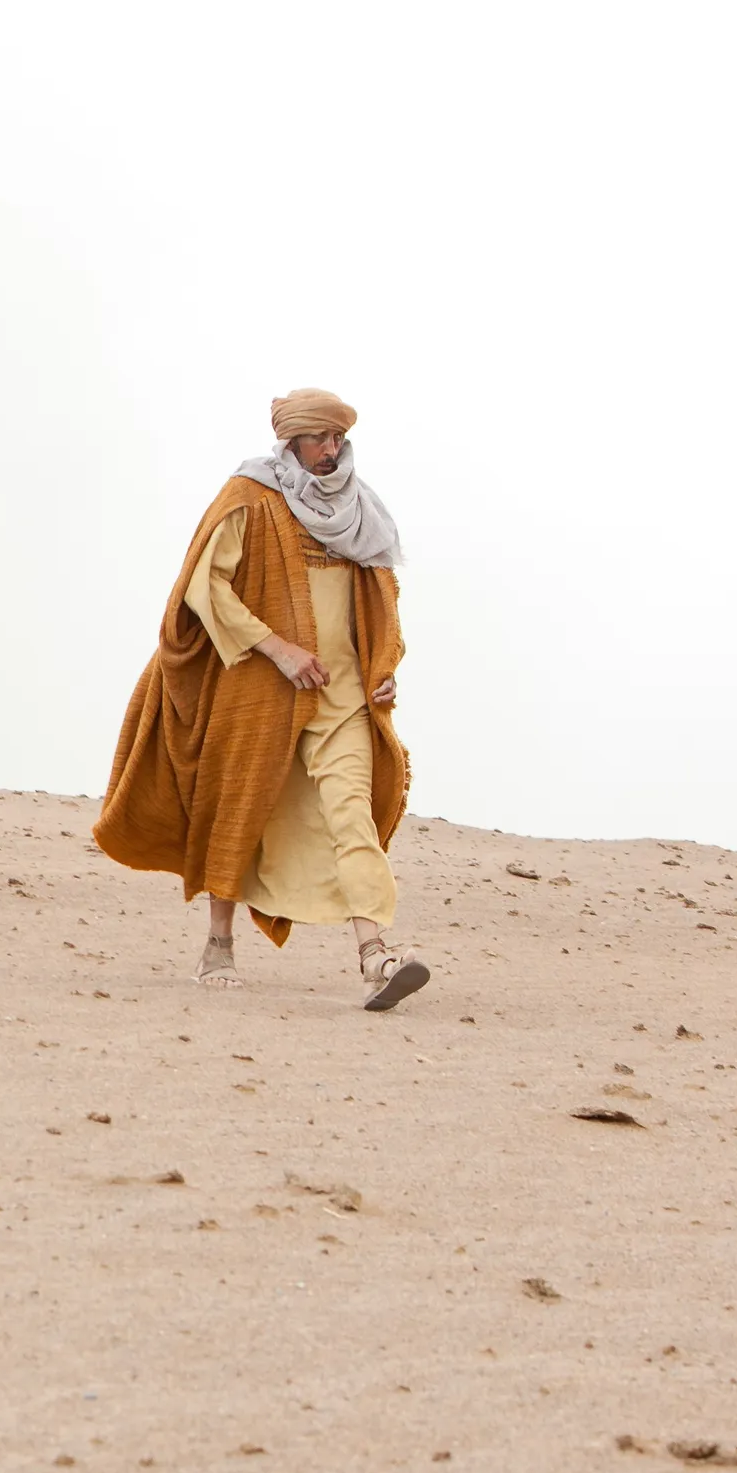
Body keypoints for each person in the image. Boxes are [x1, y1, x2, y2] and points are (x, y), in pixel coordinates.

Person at [94, 387, 427, 1009]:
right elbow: (205, 588)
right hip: (259, 685)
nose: (331, 450)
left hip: (345, 693)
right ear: (291, 441)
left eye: (337, 438)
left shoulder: (360, 509)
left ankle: (375, 956)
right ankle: (217, 944)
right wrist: (278, 648)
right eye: (319, 438)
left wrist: (384, 667)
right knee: (238, 806)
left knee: (351, 812)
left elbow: (382, 601)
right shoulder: (251, 496)